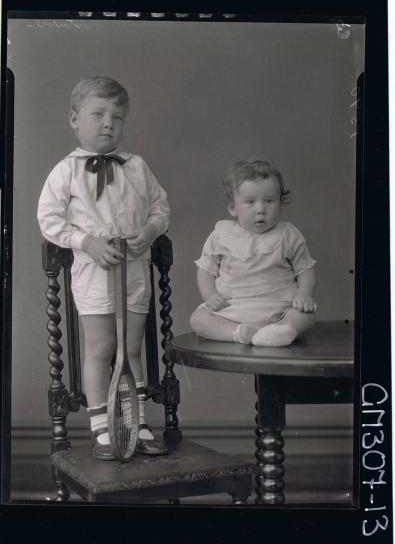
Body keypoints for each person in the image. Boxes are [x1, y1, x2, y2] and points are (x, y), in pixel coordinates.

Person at [37, 76, 169, 460]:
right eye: (98, 114)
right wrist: (87, 242)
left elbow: (161, 207)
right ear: (75, 119)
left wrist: (149, 229)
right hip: (95, 274)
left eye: (118, 117)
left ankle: (136, 423)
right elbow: (49, 220)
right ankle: (103, 429)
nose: (108, 123)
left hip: (135, 271)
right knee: (101, 348)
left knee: (131, 348)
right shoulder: (66, 171)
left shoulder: (138, 167)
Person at [190, 159, 316, 347]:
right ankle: (239, 333)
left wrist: (304, 293)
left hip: (280, 308)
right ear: (233, 207)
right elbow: (206, 270)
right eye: (250, 202)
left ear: (281, 203)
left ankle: (280, 331)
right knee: (198, 319)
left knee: (306, 315)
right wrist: (210, 295)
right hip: (233, 309)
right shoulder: (221, 235)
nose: (261, 210)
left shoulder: (288, 234)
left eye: (270, 201)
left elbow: (305, 269)